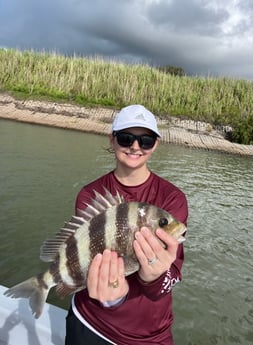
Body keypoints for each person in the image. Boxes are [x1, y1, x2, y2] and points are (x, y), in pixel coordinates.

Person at [65, 104, 188, 345]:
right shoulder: (90, 194)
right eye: (125, 138)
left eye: (145, 140)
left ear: (155, 145)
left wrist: (153, 278)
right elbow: (84, 258)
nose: (135, 146)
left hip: (150, 336)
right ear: (112, 140)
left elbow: (171, 276)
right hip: (91, 322)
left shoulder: (172, 199)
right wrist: (110, 298)